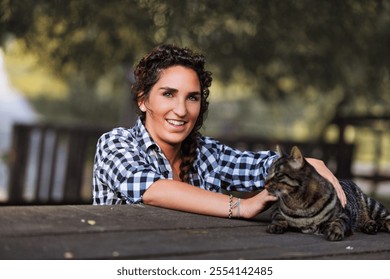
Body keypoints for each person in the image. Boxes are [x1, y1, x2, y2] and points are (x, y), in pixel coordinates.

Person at [93, 44, 346, 219]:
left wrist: (303, 165)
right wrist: (241, 207)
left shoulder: (206, 153)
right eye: (168, 94)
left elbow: (258, 165)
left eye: (192, 98)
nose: (181, 110)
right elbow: (153, 190)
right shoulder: (116, 144)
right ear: (142, 100)